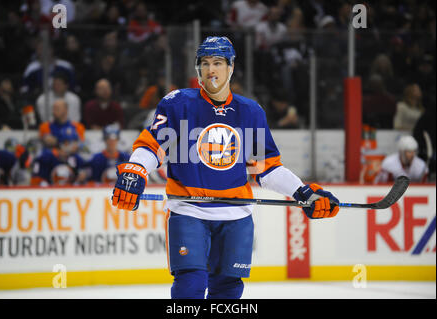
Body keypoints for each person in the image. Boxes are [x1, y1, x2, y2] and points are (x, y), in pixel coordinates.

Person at [111, 36, 340, 299]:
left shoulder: (250, 111)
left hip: (236, 216)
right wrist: (135, 170)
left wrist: (303, 192)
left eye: (218, 63)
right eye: (205, 63)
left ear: (230, 67)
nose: (211, 70)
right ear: (198, 70)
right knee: (190, 287)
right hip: (189, 210)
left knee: (228, 291)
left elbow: (266, 168)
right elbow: (153, 146)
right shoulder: (177, 104)